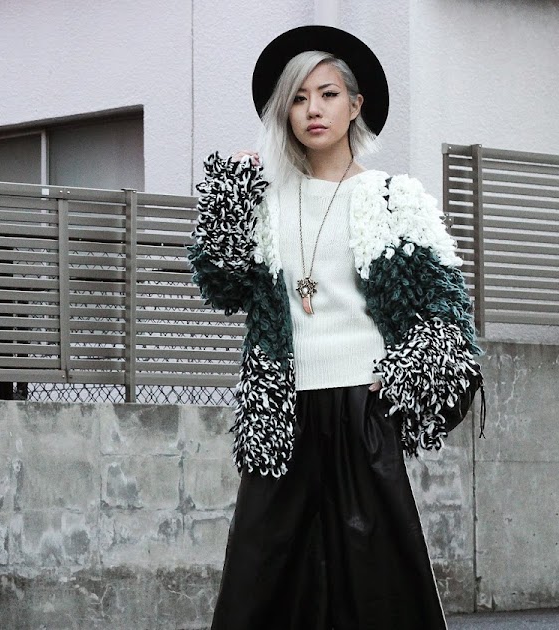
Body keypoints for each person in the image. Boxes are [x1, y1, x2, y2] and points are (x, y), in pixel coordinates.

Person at [187, 25, 482, 629]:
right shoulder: (264, 198)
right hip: (280, 409)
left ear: (355, 105)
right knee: (260, 582)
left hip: (360, 406)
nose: (313, 110)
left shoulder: (393, 198)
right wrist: (228, 198)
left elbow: (447, 307)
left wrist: (407, 373)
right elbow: (222, 286)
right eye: (298, 98)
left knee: (375, 584)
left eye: (327, 94)